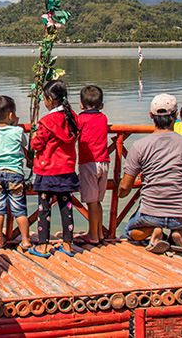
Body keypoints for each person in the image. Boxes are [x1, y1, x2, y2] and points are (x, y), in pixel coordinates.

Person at [119, 93, 182, 255]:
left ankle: (155, 230)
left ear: (151, 116)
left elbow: (125, 187)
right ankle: (179, 232)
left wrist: (120, 192)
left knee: (129, 231)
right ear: (175, 116)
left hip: (150, 213)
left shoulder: (139, 146)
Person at [30, 79, 79, 258]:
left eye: (44, 98)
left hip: (48, 170)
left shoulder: (47, 121)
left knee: (44, 209)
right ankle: (67, 245)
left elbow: (37, 144)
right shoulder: (72, 117)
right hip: (66, 170)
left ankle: (42, 246)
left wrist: (34, 135)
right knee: (66, 207)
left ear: (50, 98)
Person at [0, 95, 31, 250]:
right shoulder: (18, 131)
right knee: (20, 210)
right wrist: (17, 126)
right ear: (11, 115)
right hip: (15, 174)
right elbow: (25, 143)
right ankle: (25, 240)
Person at [76, 86, 111, 245]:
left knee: (91, 201)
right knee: (97, 200)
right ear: (101, 105)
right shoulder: (103, 118)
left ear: (81, 105)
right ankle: (100, 233)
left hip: (88, 163)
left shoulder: (80, 119)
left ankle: (93, 235)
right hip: (104, 162)